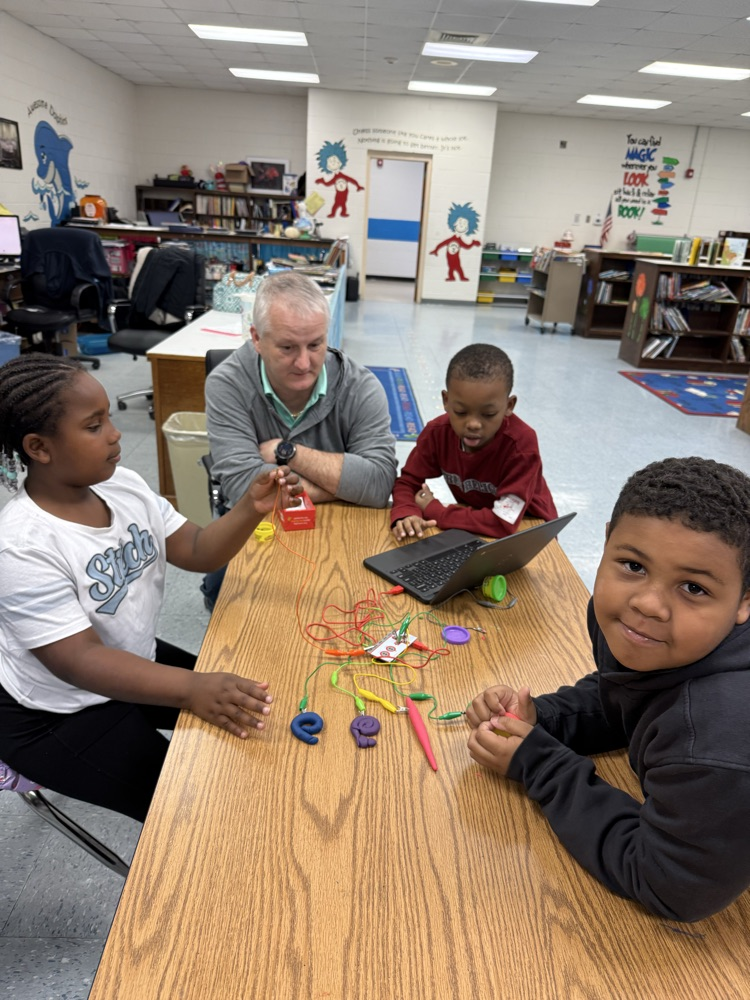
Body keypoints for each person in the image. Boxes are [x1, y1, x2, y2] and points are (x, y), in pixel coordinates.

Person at [0, 354, 302, 823]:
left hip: (123, 657)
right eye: (94, 425)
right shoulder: (20, 546)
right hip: (55, 712)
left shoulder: (122, 485)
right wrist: (190, 688)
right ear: (39, 448)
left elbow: (198, 549)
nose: (116, 434)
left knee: (247, 713)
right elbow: (79, 660)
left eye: (110, 419)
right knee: (191, 813)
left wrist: (249, 509)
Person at [467, 456, 750, 923]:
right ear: (605, 545)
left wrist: (539, 763)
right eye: (634, 565)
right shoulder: (635, 629)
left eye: (694, 588)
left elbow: (671, 886)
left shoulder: (715, 740)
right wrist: (544, 719)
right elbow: (626, 695)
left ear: (744, 603)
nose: (648, 603)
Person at [203, 269, 397, 606]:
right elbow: (242, 488)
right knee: (227, 595)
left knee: (358, 597)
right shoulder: (227, 385)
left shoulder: (360, 387)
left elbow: (380, 484)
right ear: (257, 338)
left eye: (316, 344)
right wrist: (344, 487)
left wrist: (286, 452)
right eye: (288, 347)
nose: (305, 363)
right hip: (260, 526)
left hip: (342, 529)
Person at [390, 343, 556, 541]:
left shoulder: (521, 445)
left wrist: (437, 511)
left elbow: (503, 522)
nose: (473, 424)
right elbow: (407, 481)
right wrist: (407, 512)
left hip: (530, 530)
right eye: (460, 412)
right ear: (446, 400)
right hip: (476, 525)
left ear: (509, 406)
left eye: (488, 414)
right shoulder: (438, 432)